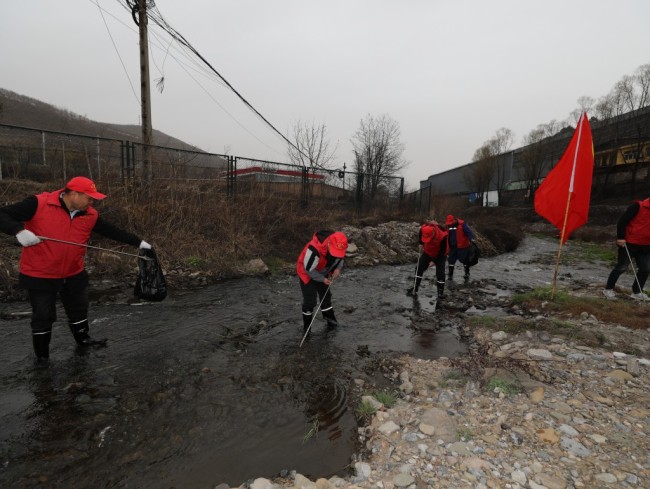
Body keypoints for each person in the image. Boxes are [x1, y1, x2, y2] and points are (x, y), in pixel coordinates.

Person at [0, 176, 152, 367]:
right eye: (89, 197)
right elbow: (2, 214)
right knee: (43, 315)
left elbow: (112, 231)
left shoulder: (90, 214)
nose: (92, 202)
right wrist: (18, 231)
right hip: (39, 273)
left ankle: (83, 340)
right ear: (73, 193)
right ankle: (42, 358)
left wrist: (139, 243)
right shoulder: (38, 203)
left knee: (79, 308)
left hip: (73, 272)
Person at [296, 230, 348, 334]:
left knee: (326, 297)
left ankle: (331, 324)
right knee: (310, 301)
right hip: (307, 272)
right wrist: (323, 279)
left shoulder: (340, 244)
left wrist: (337, 269)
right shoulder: (314, 249)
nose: (337, 254)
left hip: (323, 270)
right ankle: (307, 329)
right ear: (329, 243)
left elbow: (340, 259)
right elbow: (309, 269)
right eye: (334, 251)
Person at [602, 197, 650, 301]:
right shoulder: (637, 206)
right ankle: (608, 289)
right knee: (621, 267)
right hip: (628, 243)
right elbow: (622, 221)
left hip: (646, 245)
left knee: (645, 269)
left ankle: (637, 292)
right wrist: (620, 237)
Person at [407, 221, 448, 299]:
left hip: (440, 255)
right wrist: (420, 243)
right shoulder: (424, 228)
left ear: (433, 233)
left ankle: (440, 293)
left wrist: (434, 261)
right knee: (419, 268)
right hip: (428, 252)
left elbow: (443, 251)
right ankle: (415, 288)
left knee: (440, 273)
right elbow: (420, 232)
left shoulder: (443, 235)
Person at [445, 214, 476, 282]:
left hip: (462, 247)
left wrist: (472, 239)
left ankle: (467, 273)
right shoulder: (448, 226)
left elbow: (468, 232)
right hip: (452, 247)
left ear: (454, 220)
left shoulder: (462, 225)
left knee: (464, 260)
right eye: (448, 223)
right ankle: (450, 275)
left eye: (450, 222)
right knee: (451, 261)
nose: (449, 224)